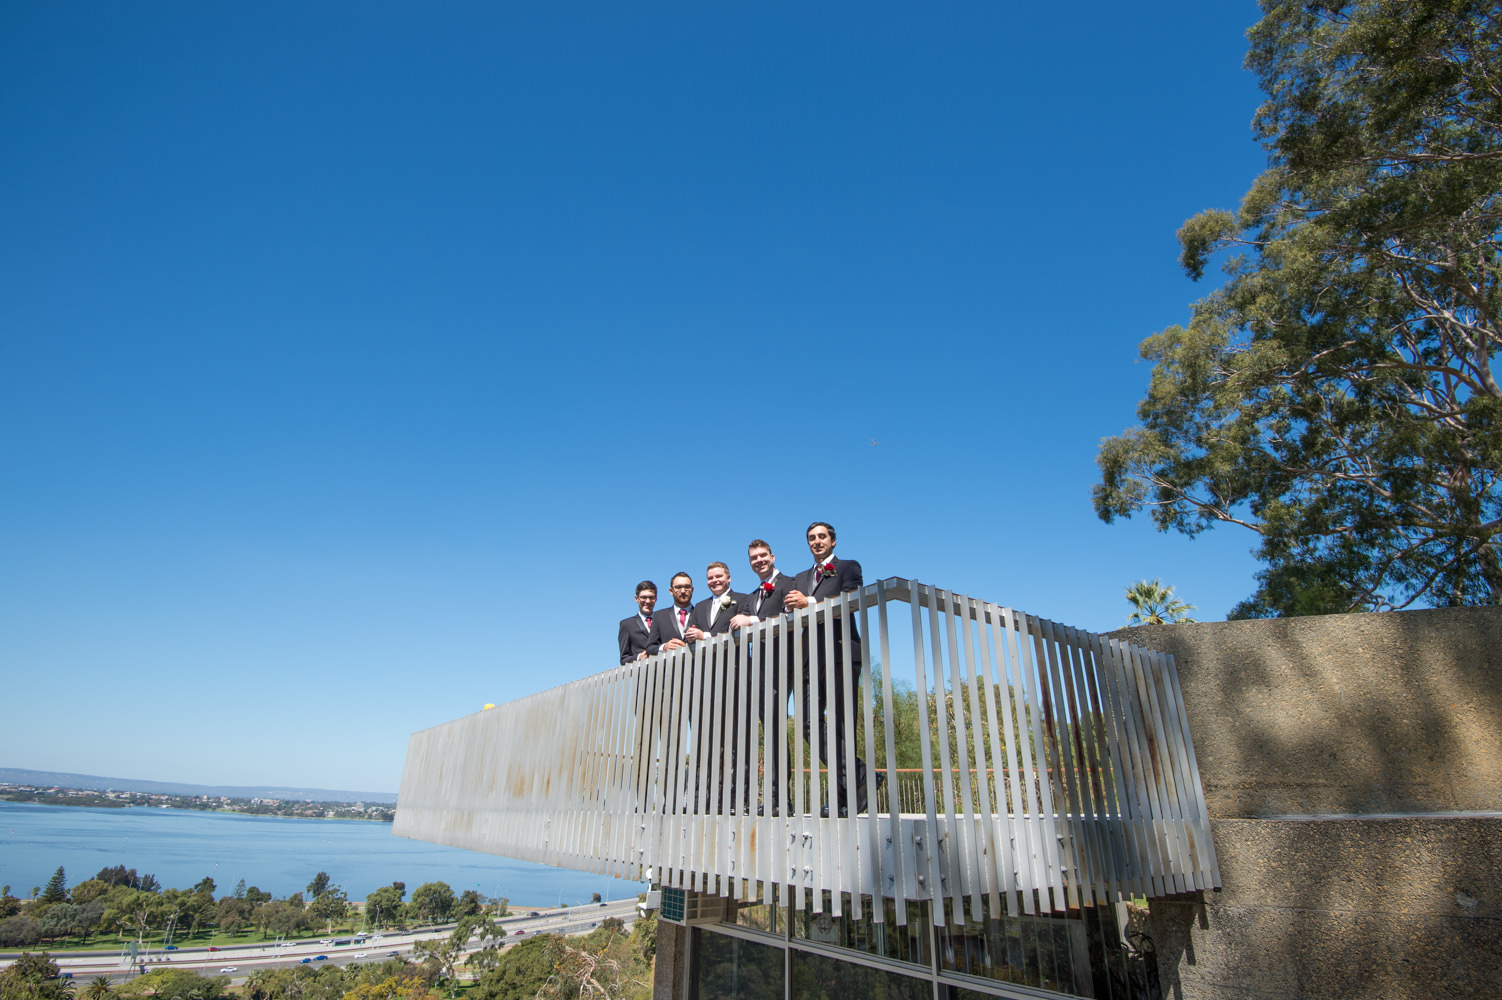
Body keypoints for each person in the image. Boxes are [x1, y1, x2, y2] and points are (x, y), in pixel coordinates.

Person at [785, 521, 881, 816]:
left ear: (833, 541)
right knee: (806, 723)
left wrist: (810, 601)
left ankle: (844, 798)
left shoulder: (849, 567)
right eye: (811, 538)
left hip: (841, 653)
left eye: (822, 537)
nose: (816, 541)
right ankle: (861, 774)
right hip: (809, 659)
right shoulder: (799, 578)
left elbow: (851, 602)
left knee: (841, 724)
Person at [729, 540, 797, 813]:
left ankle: (780, 798)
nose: (758, 560)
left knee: (774, 726)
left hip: (783, 661)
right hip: (759, 666)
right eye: (753, 558)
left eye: (762, 556)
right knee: (768, 727)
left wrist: (753, 621)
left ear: (772, 556)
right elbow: (738, 621)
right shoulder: (750, 597)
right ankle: (772, 796)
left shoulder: (789, 582)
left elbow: (789, 615)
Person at [645, 573, 696, 655]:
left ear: (692, 589)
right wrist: (664, 647)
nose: (683, 591)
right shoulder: (659, 616)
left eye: (687, 587)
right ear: (671, 591)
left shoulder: (700, 612)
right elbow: (650, 648)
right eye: (678, 587)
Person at [618, 580, 658, 664]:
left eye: (651, 597)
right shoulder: (627, 625)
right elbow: (624, 659)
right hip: (642, 674)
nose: (647, 601)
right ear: (636, 599)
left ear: (656, 599)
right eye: (643, 597)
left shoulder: (663, 619)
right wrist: (638, 657)